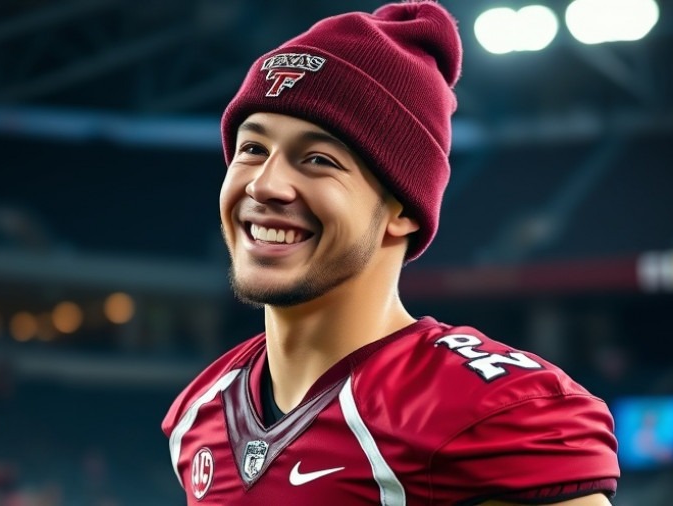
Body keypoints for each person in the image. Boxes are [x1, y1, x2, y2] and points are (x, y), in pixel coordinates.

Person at [162, 1, 620, 504]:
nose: (266, 185)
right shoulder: (203, 414)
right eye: (252, 149)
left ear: (403, 209)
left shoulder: (485, 416)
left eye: (318, 159)